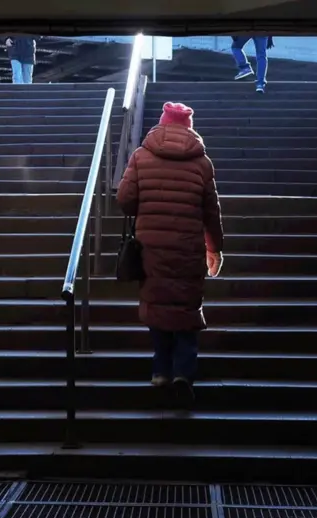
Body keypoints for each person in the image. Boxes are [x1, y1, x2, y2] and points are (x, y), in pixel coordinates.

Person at [116, 102, 224, 405]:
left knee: (157, 304)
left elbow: (124, 201)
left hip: (151, 247)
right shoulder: (202, 163)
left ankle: (160, 371)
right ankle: (183, 374)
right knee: (186, 309)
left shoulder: (141, 155)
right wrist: (214, 248)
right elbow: (211, 212)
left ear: (162, 123)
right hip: (189, 249)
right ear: (189, 127)